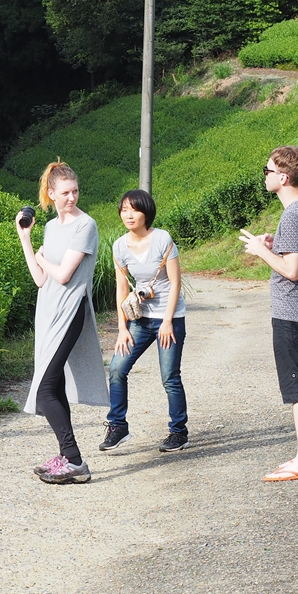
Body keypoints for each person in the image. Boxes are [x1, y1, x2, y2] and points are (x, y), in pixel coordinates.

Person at [16, 161, 109, 484]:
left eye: (75, 191)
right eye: (65, 193)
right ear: (51, 193)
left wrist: (42, 258)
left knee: (44, 391)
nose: (71, 198)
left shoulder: (86, 226)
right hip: (48, 312)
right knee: (53, 386)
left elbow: (64, 275)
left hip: (70, 312)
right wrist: (26, 240)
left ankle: (75, 461)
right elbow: (41, 279)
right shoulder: (51, 227)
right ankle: (66, 456)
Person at [238, 146, 298, 482]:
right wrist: (275, 243)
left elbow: (292, 270)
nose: (265, 176)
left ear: (284, 177)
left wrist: (261, 251)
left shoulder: (291, 215)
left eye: (268, 171)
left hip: (291, 313)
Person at [101, 189, 190, 453]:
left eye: (134, 210)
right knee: (117, 369)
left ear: (146, 212)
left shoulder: (162, 239)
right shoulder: (119, 246)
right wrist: (122, 328)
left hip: (169, 318)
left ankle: (179, 432)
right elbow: (121, 288)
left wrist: (167, 321)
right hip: (140, 319)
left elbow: (175, 283)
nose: (128, 215)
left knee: (169, 377)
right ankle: (118, 426)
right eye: (124, 210)